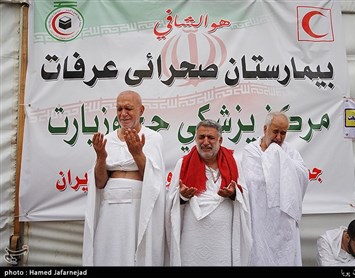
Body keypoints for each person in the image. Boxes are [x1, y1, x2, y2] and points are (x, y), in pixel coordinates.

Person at [82, 90, 166, 266]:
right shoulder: (109, 139)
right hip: (110, 208)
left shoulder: (153, 138)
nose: (123, 114)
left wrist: (137, 153)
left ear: (141, 110)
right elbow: (100, 183)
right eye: (119, 109)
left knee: (135, 253)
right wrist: (101, 157)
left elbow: (153, 180)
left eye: (128, 108)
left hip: (137, 208)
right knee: (108, 253)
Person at [165, 119, 252, 266]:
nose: (205, 142)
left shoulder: (233, 162)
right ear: (195, 139)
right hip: (193, 235)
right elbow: (171, 200)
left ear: (220, 140)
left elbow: (245, 195)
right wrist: (182, 196)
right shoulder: (183, 163)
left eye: (210, 137)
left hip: (222, 238)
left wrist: (233, 193)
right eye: (201, 137)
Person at [241, 111, 309, 266]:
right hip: (258, 221)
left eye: (283, 133)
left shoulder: (290, 152)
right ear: (265, 129)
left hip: (284, 221)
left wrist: (280, 157)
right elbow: (249, 183)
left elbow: (302, 176)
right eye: (275, 132)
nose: (279, 137)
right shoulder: (250, 151)